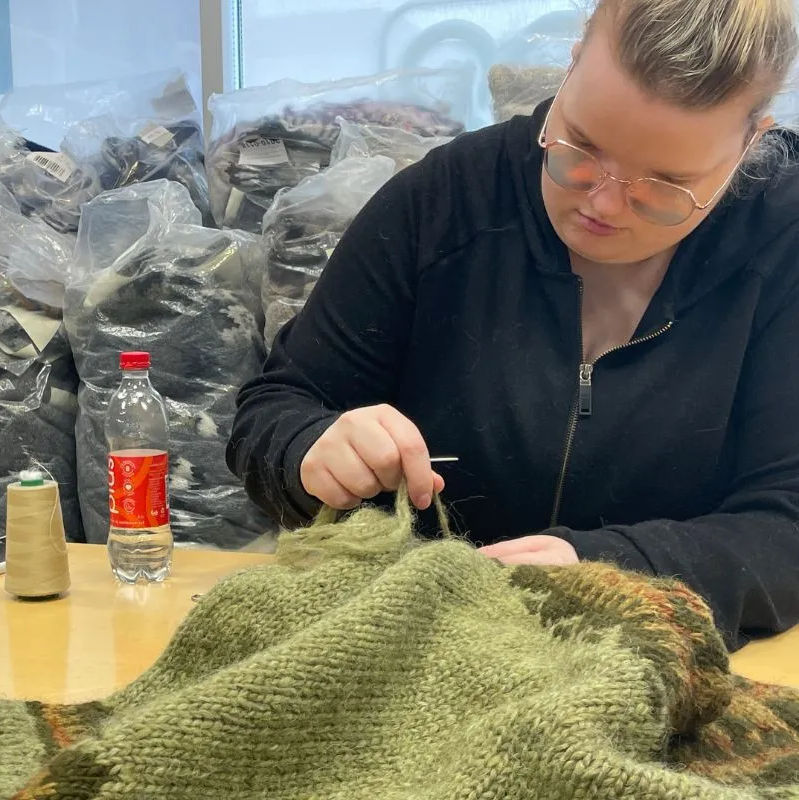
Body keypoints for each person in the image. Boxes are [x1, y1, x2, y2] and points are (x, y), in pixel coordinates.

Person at [226, 0, 799, 650]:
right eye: (582, 146)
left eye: (665, 185)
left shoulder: (782, 244)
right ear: (573, 62)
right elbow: (273, 410)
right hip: (409, 648)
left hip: (661, 664)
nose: (604, 203)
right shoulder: (444, 203)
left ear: (751, 140)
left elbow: (786, 525)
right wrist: (310, 450)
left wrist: (610, 572)